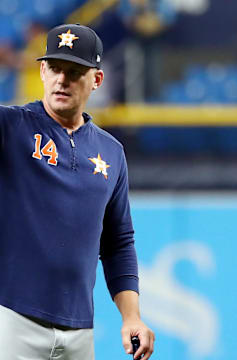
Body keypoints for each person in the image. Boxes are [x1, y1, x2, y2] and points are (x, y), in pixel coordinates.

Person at [0, 23, 154, 360]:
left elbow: (118, 243)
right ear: (42, 71)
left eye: (74, 71)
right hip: (11, 318)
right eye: (54, 68)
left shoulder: (111, 152)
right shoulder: (11, 127)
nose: (62, 79)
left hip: (80, 331)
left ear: (96, 80)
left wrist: (131, 317)